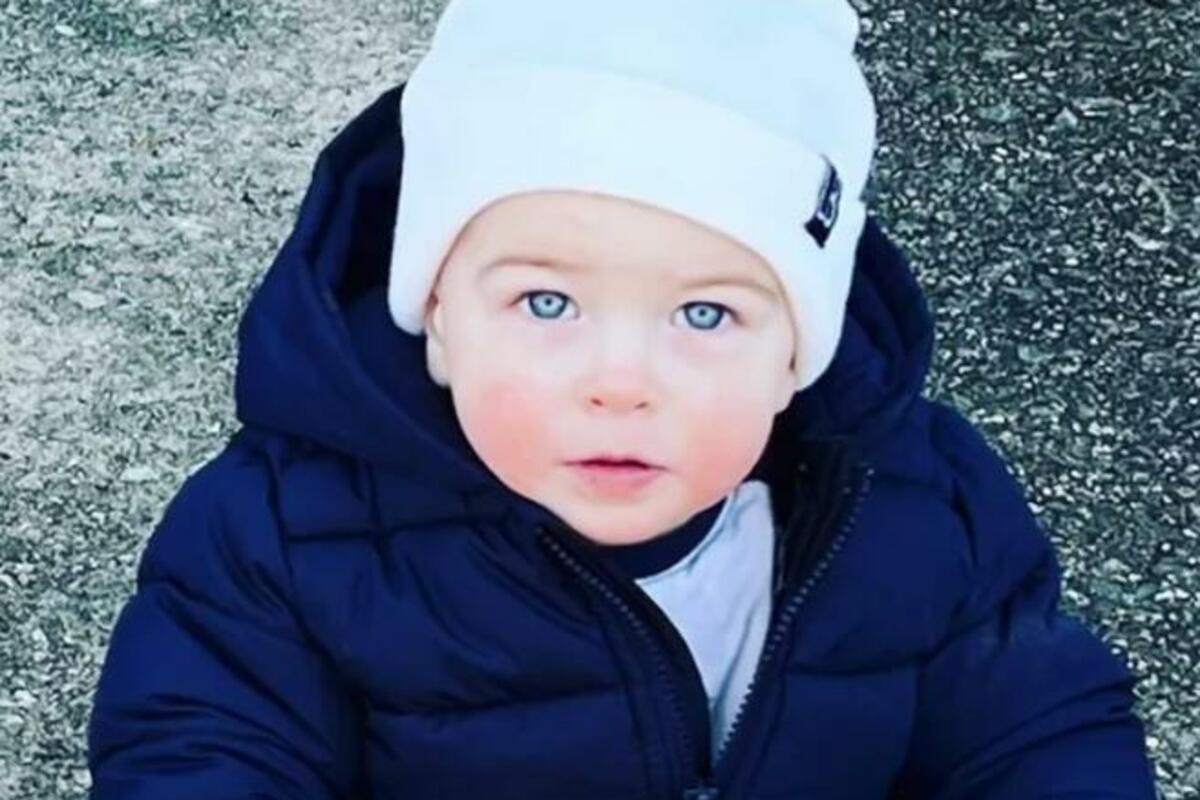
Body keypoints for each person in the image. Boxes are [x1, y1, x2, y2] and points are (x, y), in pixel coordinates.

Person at [85, 0, 1159, 797]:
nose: (621, 381)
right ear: (439, 319)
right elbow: (205, 747)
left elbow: (1035, 733)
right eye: (546, 302)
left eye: (707, 314)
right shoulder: (285, 537)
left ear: (799, 351)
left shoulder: (921, 505)